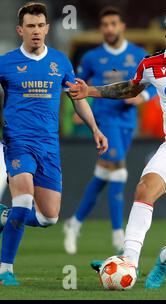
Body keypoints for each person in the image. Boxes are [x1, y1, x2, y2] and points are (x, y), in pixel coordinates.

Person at [68, 7, 166, 288]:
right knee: (144, 189)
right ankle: (129, 259)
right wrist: (91, 91)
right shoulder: (152, 65)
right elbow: (131, 88)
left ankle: (164, 260)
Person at [0, 2, 108, 286]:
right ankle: (5, 270)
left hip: (49, 145)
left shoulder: (60, 62)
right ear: (20, 30)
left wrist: (95, 128)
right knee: (23, 199)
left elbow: (77, 97)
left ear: (47, 29)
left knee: (48, 217)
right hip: (18, 142)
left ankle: (4, 216)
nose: (36, 32)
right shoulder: (6, 62)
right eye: (30, 27)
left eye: (40, 26)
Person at [63, 7, 156, 256]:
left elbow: (155, 82)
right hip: (106, 119)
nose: (109, 28)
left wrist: (143, 96)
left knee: (104, 175)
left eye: (113, 23)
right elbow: (76, 85)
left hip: (127, 122)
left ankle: (74, 223)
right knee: (120, 171)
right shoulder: (92, 57)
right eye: (105, 24)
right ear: (101, 28)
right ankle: (118, 235)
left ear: (122, 26)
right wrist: (78, 108)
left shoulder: (138, 54)